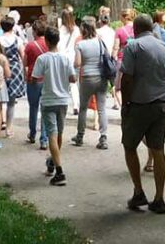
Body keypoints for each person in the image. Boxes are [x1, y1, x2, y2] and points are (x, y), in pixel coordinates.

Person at [119, 14, 165, 214]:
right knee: (158, 149)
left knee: (130, 146)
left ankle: (139, 191)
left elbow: (127, 78)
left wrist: (125, 104)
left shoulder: (133, 47)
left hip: (139, 105)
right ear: (151, 28)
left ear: (135, 29)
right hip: (161, 105)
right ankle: (159, 198)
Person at [32, 26, 76, 186]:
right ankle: (53, 161)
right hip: (63, 100)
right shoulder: (65, 58)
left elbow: (35, 78)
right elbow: (73, 78)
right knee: (59, 134)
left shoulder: (42, 59)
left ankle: (59, 171)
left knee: (51, 133)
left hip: (49, 100)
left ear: (46, 41)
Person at [71, 16, 109, 149]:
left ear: (83, 28)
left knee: (83, 108)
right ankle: (103, 137)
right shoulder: (100, 42)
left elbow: (77, 63)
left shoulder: (80, 44)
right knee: (101, 108)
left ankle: (80, 136)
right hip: (101, 78)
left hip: (87, 78)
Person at [23, 15, 51, 150]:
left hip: (33, 79)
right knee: (45, 109)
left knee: (33, 108)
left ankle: (33, 133)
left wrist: (25, 77)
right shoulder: (49, 44)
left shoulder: (30, 46)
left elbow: (25, 63)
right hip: (46, 79)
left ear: (34, 31)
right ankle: (44, 138)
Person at [0, 16, 26, 139]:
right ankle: (9, 128)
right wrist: (24, 71)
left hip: (0, 69)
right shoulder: (17, 40)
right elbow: (23, 56)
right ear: (12, 26)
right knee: (11, 102)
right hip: (14, 69)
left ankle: (0, 123)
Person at [112, 8, 137, 110]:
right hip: (136, 60)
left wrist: (113, 56)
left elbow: (116, 47)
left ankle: (125, 108)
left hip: (122, 60)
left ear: (124, 17)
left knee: (118, 88)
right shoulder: (137, 29)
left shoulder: (119, 31)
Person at [57, 9, 81, 114]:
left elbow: (58, 45)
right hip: (73, 58)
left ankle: (64, 105)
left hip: (62, 58)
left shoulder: (60, 30)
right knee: (74, 83)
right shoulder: (76, 29)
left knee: (63, 83)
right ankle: (76, 105)